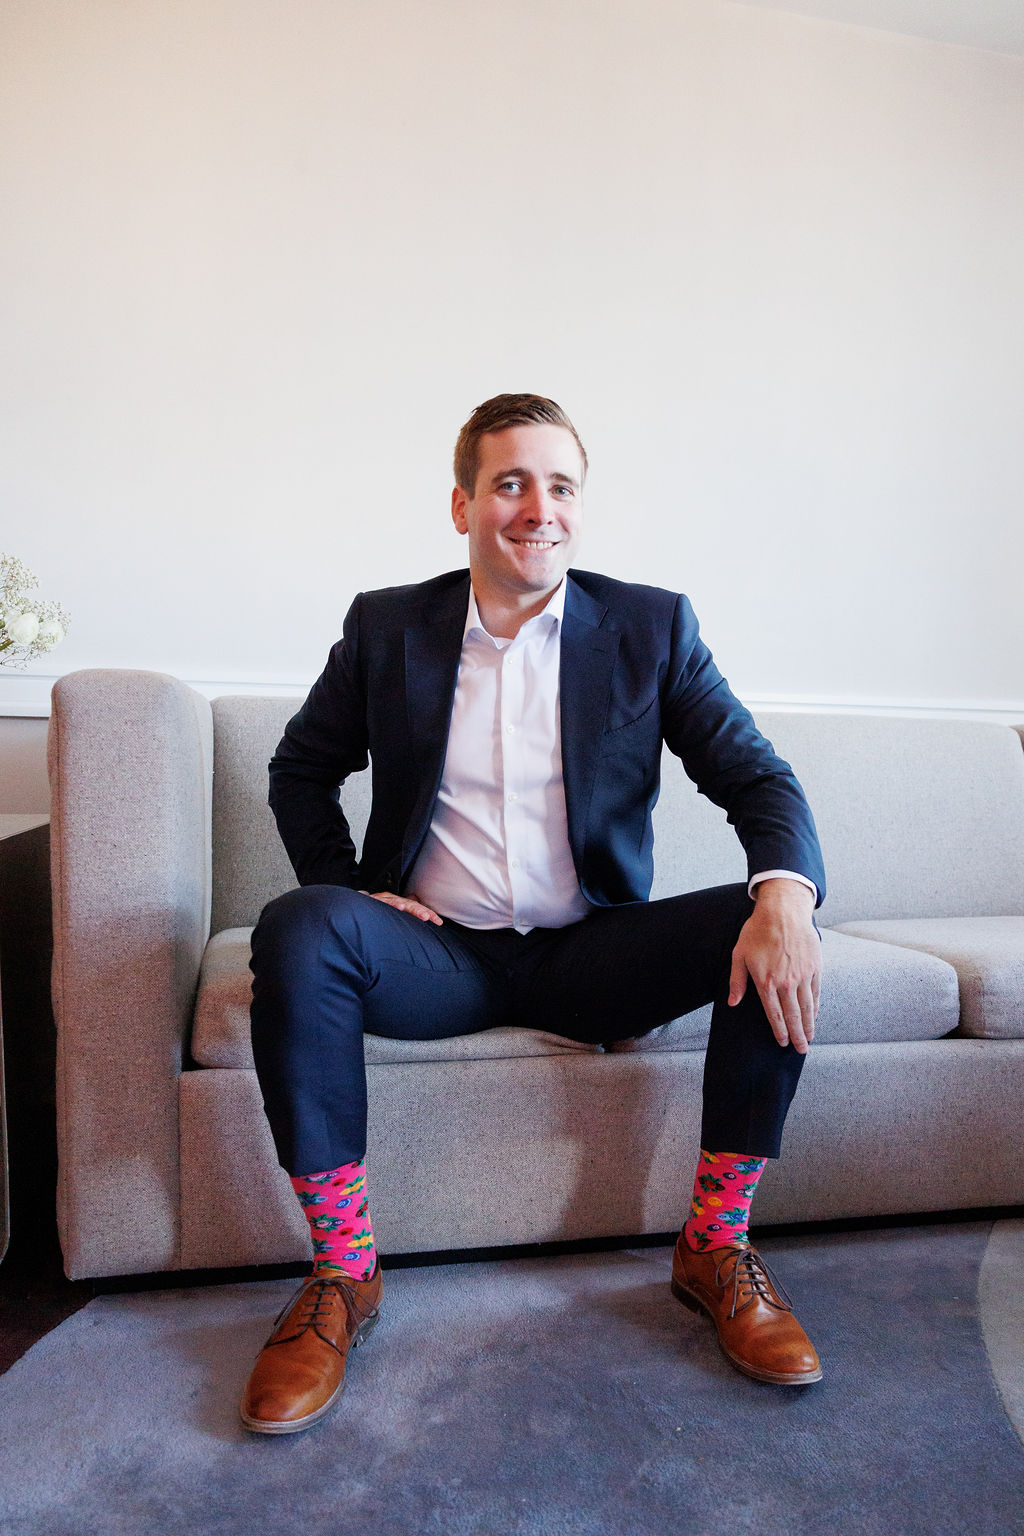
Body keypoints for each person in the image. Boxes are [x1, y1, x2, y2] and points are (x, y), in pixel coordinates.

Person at [239, 393, 826, 1435]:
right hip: (438, 953)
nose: (536, 508)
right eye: (510, 482)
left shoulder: (651, 626)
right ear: (463, 503)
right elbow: (301, 770)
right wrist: (344, 885)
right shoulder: (389, 626)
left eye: (559, 485)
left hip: (590, 951)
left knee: (768, 924)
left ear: (579, 505)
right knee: (298, 926)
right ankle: (343, 1273)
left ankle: (715, 1246)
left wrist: (785, 891)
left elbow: (757, 780)